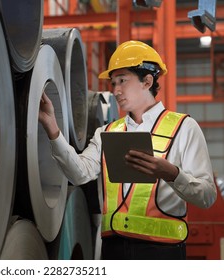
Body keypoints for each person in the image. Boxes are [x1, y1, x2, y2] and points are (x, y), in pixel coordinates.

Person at [38, 40, 217, 260]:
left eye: (122, 80)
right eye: (113, 83)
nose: (116, 90)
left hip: (162, 255)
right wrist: (52, 128)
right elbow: (79, 173)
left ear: (147, 81)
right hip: (113, 252)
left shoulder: (184, 128)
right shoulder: (108, 132)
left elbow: (207, 196)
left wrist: (172, 174)